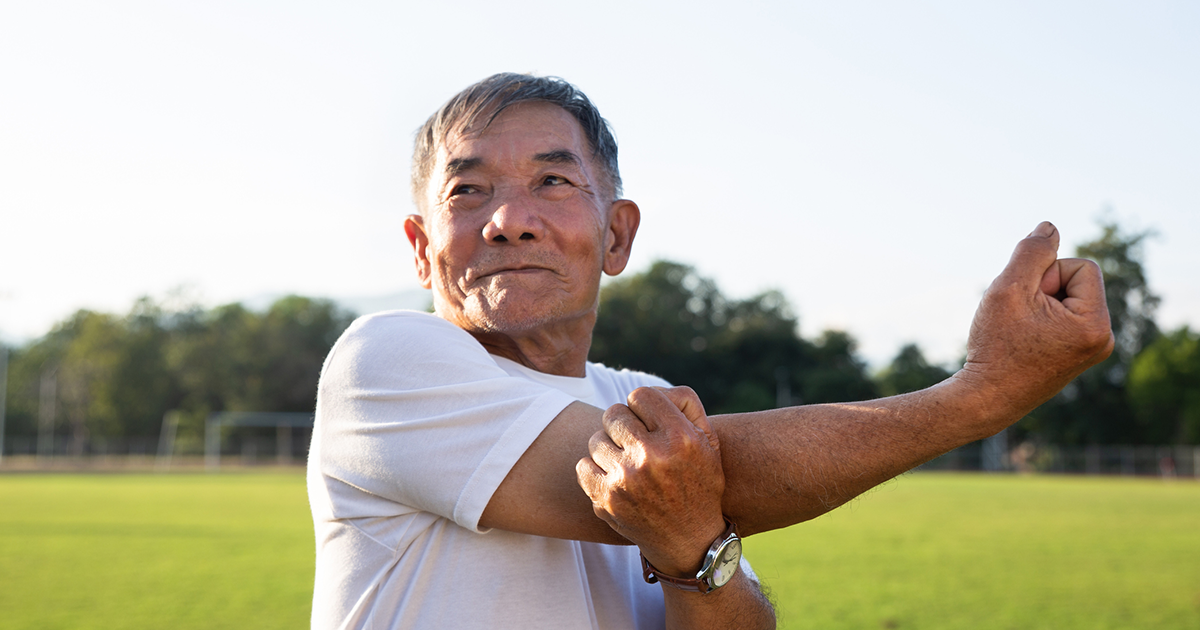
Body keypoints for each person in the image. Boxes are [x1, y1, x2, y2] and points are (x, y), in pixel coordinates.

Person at [307, 73, 1113, 629]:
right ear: (421, 249)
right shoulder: (384, 361)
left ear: (617, 234)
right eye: (466, 189)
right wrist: (982, 395)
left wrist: (696, 556)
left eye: (552, 182)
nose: (508, 218)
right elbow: (706, 473)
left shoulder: (641, 393)